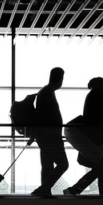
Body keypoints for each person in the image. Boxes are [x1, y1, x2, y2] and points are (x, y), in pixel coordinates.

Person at [64, 77, 103, 196]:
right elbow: (99, 117)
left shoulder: (93, 96)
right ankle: (75, 190)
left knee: (102, 168)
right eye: (102, 85)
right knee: (102, 168)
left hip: (99, 137)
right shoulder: (97, 96)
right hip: (99, 137)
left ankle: (100, 192)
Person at [31, 67, 69, 197]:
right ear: (60, 79)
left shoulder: (45, 92)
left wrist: (34, 134)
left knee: (47, 165)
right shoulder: (47, 93)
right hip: (50, 136)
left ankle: (44, 191)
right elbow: (40, 115)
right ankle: (44, 189)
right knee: (63, 164)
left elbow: (39, 115)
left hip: (45, 135)